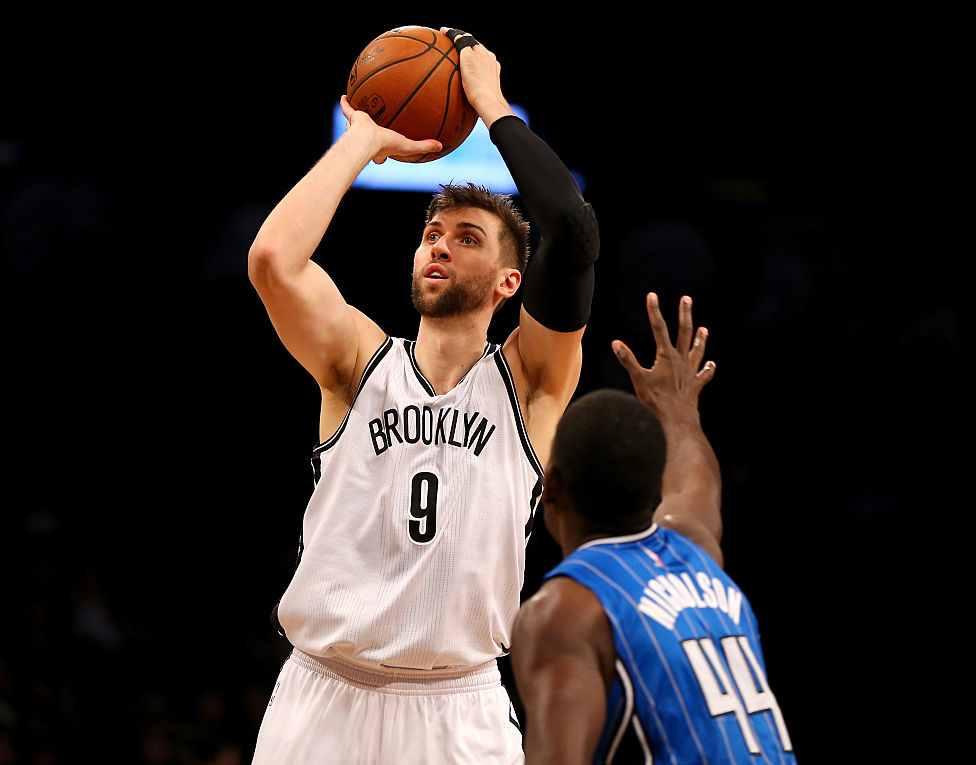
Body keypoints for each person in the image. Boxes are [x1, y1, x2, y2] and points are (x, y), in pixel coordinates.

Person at [245, 27, 598, 765]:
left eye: (467, 237)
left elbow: (568, 226)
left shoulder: (531, 381)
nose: (439, 244)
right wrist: (361, 139)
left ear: (510, 284)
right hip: (321, 698)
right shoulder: (355, 362)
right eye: (432, 232)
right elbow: (275, 260)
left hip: (456, 708)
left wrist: (491, 104)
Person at [510, 293, 797, 764]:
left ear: (552, 484)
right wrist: (679, 407)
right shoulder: (693, 545)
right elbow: (696, 479)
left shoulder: (565, 612)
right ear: (653, 489)